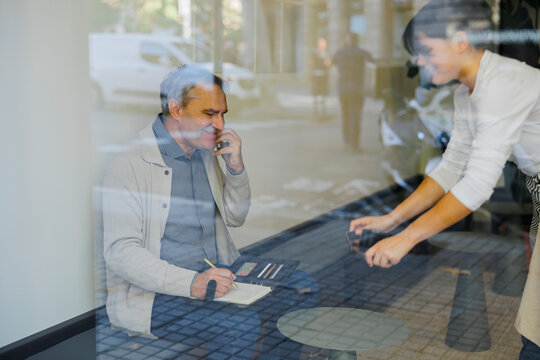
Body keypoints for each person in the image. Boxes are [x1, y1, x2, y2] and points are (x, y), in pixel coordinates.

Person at [349, 1, 540, 358]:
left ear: (460, 40)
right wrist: (390, 221)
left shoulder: (501, 84)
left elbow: (477, 184)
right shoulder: (466, 93)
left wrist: (406, 239)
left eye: (425, 50)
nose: (419, 62)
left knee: (535, 332)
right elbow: (450, 170)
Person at [100, 65, 258, 358]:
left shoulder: (204, 153)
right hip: (162, 294)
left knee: (301, 288)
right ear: (175, 109)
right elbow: (120, 252)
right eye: (209, 114)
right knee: (240, 326)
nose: (220, 124)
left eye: (223, 114)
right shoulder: (129, 162)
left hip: (219, 276)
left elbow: (235, 217)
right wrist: (193, 283)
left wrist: (236, 168)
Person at [332, 32, 373, 150]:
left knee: (345, 115)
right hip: (357, 89)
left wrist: (343, 46)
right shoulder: (362, 53)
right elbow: (371, 60)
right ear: (357, 41)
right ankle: (355, 144)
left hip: (343, 89)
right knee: (356, 117)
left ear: (347, 40)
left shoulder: (340, 52)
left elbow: (333, 60)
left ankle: (347, 141)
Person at [309, 37, 331, 120]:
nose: (323, 46)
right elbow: (311, 63)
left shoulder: (326, 53)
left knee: (323, 92)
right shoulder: (315, 53)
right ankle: (315, 110)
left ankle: (323, 110)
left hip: (324, 76)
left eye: (324, 44)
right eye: (321, 44)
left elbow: (328, 63)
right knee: (316, 92)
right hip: (316, 75)